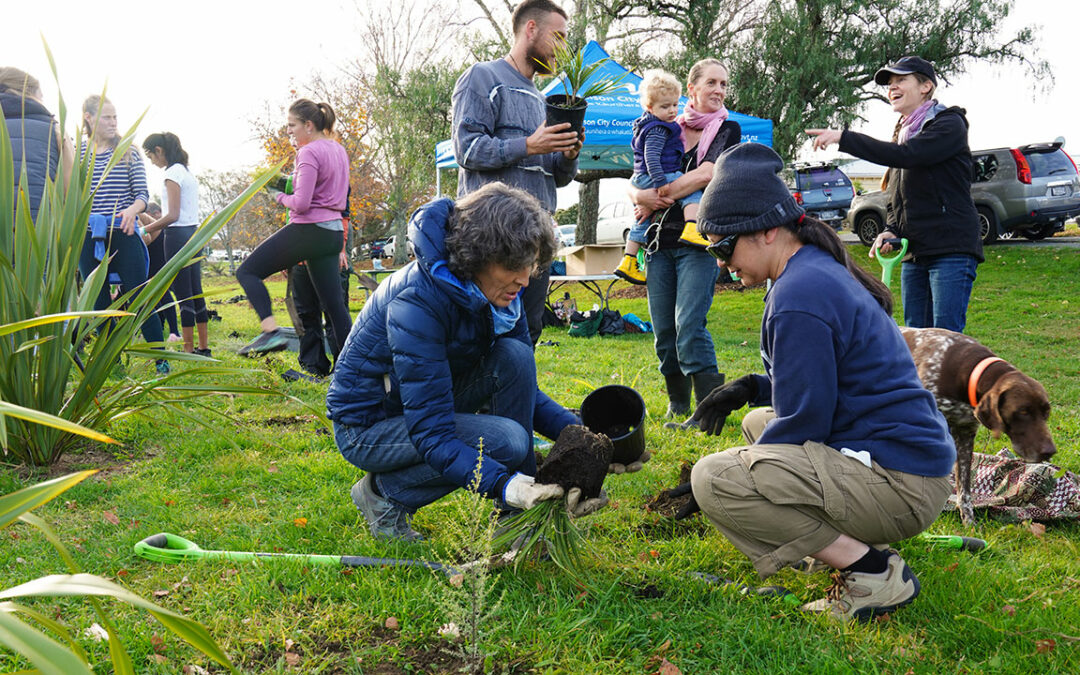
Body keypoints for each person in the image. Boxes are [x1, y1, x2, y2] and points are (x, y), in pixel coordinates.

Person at [678, 142, 954, 622]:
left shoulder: (799, 293)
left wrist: (717, 489)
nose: (720, 262)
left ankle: (872, 573)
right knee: (759, 423)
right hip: (906, 462)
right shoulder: (811, 270)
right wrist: (750, 388)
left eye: (723, 246)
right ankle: (833, 545)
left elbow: (806, 422)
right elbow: (823, 376)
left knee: (716, 477)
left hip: (902, 483)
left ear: (766, 230)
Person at [327, 183, 614, 541]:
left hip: (419, 402)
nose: (525, 279)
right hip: (369, 425)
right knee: (507, 441)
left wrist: (588, 438)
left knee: (515, 355)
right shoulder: (417, 301)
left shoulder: (500, 294)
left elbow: (523, 389)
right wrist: (506, 486)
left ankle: (515, 521)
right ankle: (384, 495)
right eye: (514, 265)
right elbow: (432, 433)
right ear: (478, 254)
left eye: (530, 265)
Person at [806, 55, 982, 333]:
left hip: (951, 248)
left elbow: (909, 156)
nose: (892, 88)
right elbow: (899, 192)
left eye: (901, 80)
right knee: (915, 336)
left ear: (926, 86)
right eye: (889, 83)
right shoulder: (903, 131)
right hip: (915, 249)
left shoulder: (949, 125)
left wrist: (844, 137)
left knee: (946, 339)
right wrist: (891, 229)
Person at [451, 0, 583, 345]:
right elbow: (467, 150)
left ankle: (516, 399)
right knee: (486, 331)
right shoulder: (483, 78)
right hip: (492, 234)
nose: (563, 50)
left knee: (528, 331)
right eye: (559, 37)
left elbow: (557, 176)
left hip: (537, 235)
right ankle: (478, 400)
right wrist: (528, 144)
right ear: (531, 29)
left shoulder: (543, 100)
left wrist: (568, 157)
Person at [629, 58, 740, 424]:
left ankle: (710, 413)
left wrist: (653, 196)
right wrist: (636, 194)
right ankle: (678, 405)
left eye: (724, 84)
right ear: (691, 88)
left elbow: (707, 173)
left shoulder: (727, 130)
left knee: (689, 326)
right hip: (660, 244)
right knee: (664, 332)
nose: (719, 91)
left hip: (698, 242)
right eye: (712, 83)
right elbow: (637, 174)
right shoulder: (664, 124)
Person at [235, 99, 352, 357]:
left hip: (310, 230)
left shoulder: (308, 152)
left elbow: (300, 203)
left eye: (292, 125)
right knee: (334, 306)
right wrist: (281, 182)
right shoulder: (338, 150)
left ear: (308, 125)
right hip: (332, 233)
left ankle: (270, 332)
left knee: (247, 271)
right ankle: (354, 368)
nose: (288, 131)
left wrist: (274, 194)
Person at [77, 95, 167, 374]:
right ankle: (111, 361)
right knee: (99, 302)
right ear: (89, 118)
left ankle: (160, 359)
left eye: (115, 117)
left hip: (124, 232)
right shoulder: (78, 154)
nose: (113, 122)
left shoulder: (129, 151)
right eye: (106, 117)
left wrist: (132, 210)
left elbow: (142, 193)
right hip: (90, 237)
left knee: (139, 295)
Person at [616, 69, 705, 285]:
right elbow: (652, 157)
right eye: (665, 106)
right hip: (658, 173)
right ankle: (692, 226)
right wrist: (661, 183)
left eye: (675, 104)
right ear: (649, 107)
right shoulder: (658, 129)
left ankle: (628, 260)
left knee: (641, 220)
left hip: (641, 177)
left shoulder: (646, 124)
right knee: (693, 191)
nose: (672, 111)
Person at [141, 133, 210, 357]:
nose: (152, 161)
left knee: (183, 293)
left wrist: (145, 229)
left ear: (159, 151)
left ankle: (188, 349)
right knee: (196, 290)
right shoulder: (186, 172)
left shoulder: (171, 174)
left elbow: (172, 215)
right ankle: (203, 347)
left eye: (151, 156)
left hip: (177, 236)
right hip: (194, 234)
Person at [1, 67, 74, 221]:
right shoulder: (56, 130)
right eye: (40, 96)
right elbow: (72, 195)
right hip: (39, 235)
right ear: (29, 93)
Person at [138, 201, 181, 342]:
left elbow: (146, 238)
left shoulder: (128, 212)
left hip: (156, 242)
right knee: (151, 289)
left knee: (159, 287)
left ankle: (174, 332)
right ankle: (160, 326)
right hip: (149, 245)